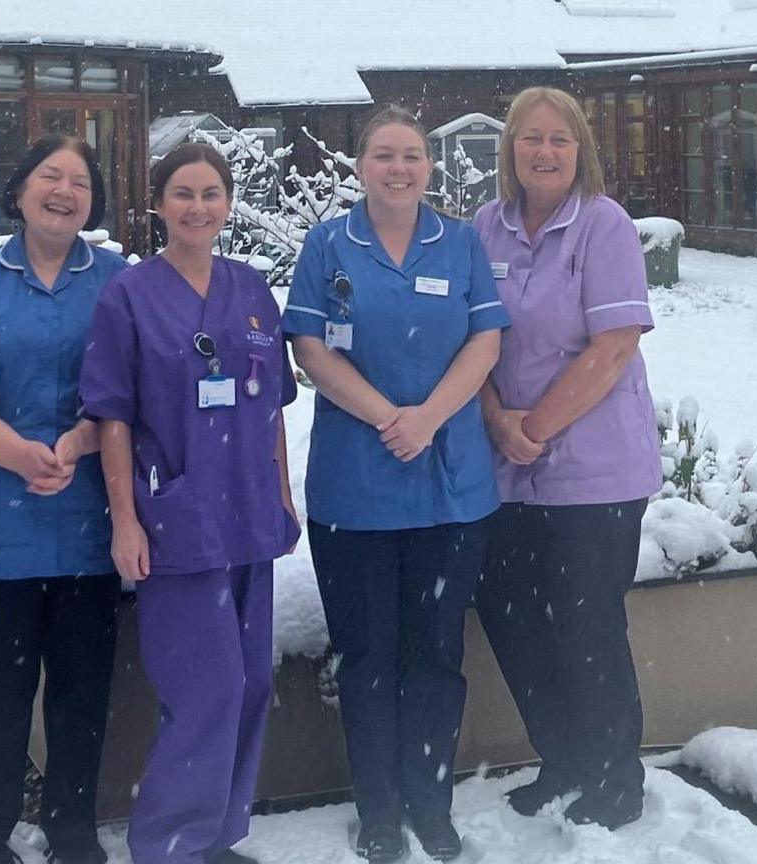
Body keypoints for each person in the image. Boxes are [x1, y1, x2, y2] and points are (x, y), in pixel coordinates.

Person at [282, 107, 508, 862]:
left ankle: (430, 800)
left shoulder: (462, 242)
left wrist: (430, 419)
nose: (400, 168)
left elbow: (486, 339)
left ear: (429, 166)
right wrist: (390, 418)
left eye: (412, 155)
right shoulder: (328, 245)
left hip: (450, 490)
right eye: (384, 155)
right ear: (360, 165)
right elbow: (309, 347)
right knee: (370, 659)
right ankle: (379, 808)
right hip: (356, 493)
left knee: (436, 657)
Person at [79, 142, 299, 864]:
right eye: (183, 193)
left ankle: (215, 834)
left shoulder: (252, 289)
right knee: (206, 689)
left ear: (228, 204)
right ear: (158, 205)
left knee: (252, 682)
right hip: (175, 516)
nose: (197, 207)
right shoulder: (130, 294)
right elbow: (112, 416)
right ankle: (171, 843)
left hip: (248, 514)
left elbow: (274, 410)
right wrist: (124, 521)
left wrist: (283, 497)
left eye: (210, 193)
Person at [0, 136, 127, 864]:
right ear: (20, 190)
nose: (64, 190)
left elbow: (137, 389)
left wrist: (78, 443)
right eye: (50, 175)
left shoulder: (115, 277)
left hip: (89, 517)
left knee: (80, 691)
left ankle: (72, 827)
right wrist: (14, 451)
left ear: (94, 200)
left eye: (79, 180)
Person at [472, 86, 660, 831]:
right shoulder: (486, 228)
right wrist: (494, 418)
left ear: (581, 150)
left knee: (588, 627)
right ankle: (565, 758)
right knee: (512, 618)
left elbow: (613, 347)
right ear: (509, 150)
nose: (544, 152)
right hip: (509, 469)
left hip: (594, 472)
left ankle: (617, 777)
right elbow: (471, 338)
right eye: (530, 139)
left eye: (559, 140)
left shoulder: (604, 227)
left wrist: (534, 428)